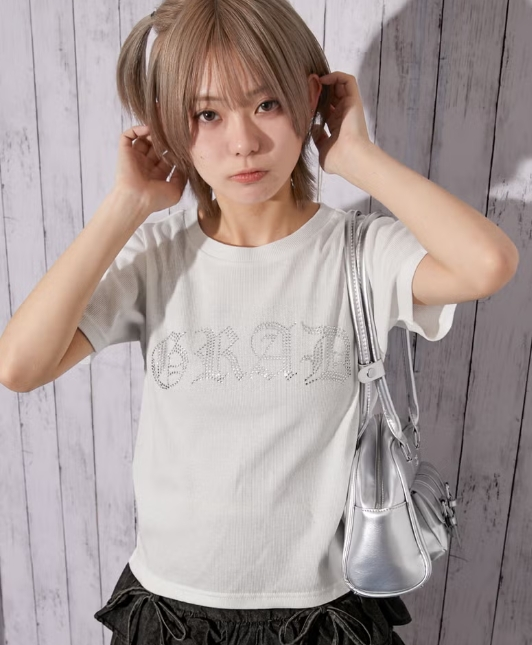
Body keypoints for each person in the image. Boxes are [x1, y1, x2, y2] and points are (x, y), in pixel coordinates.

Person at [0, 0, 515, 643]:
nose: (242, 141)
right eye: (206, 115)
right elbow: (20, 366)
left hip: (320, 614)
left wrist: (357, 157)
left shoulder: (358, 252)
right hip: (170, 611)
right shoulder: (155, 258)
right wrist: (125, 204)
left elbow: (488, 263)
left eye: (267, 104)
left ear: (309, 99)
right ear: (169, 123)